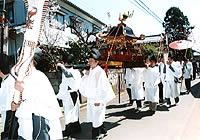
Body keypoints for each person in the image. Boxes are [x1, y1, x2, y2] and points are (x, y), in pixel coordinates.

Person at [12, 48, 63, 140]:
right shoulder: (21, 76)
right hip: (24, 124)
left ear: (31, 60)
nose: (19, 59)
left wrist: (22, 90)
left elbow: (42, 103)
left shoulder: (39, 76)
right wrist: (15, 103)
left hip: (37, 121)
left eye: (22, 57)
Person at [79, 48, 115, 139]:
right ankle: (103, 130)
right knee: (95, 117)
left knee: (96, 118)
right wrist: (85, 75)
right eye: (89, 61)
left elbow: (102, 88)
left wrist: (99, 100)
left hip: (98, 99)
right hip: (91, 98)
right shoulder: (90, 70)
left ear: (96, 62)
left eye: (91, 61)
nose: (89, 63)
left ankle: (95, 136)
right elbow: (86, 83)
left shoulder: (100, 72)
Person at [56, 54, 82, 137]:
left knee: (69, 112)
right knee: (73, 112)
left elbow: (68, 74)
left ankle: (69, 130)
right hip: (70, 94)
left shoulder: (72, 71)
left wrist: (61, 66)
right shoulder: (72, 70)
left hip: (71, 94)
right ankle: (76, 128)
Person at [0, 54, 19, 139]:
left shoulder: (10, 82)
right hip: (6, 116)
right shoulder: (7, 80)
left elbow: (8, 107)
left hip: (8, 118)